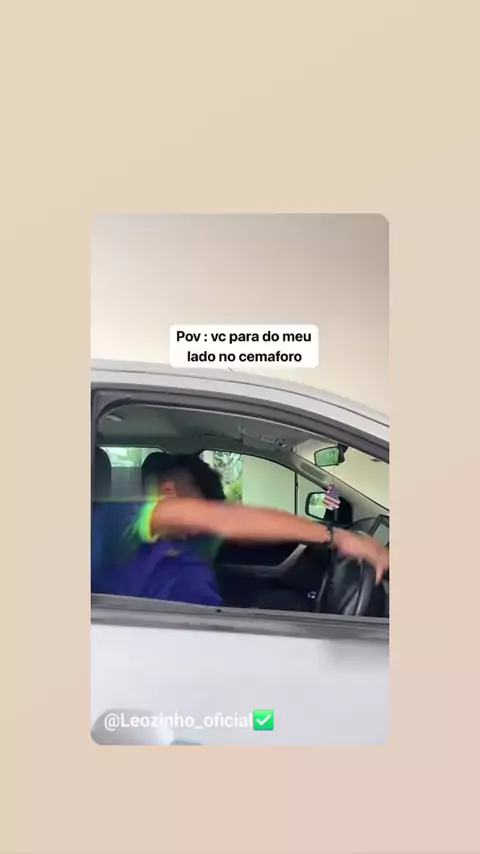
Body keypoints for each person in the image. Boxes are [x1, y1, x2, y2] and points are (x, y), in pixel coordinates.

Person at [91, 452, 389, 607]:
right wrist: (336, 536)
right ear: (169, 492)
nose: (197, 527)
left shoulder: (188, 541)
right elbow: (224, 519)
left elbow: (243, 526)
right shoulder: (119, 521)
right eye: (199, 507)